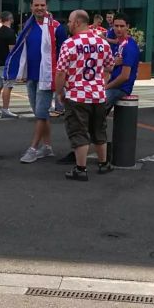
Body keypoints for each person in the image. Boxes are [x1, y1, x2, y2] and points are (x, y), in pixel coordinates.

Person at [4, 0, 68, 163]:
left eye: (42, 5)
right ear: (31, 7)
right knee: (41, 114)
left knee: (40, 114)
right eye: (36, 5)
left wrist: (63, 78)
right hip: (31, 77)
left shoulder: (56, 27)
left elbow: (65, 52)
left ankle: (32, 149)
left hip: (47, 78)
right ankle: (47, 148)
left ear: (47, 7)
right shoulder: (28, 26)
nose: (39, 8)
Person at [55, 10, 115, 181]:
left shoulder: (70, 44)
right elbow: (110, 67)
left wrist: (60, 92)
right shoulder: (102, 43)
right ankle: (104, 164)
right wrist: (101, 81)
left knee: (79, 131)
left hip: (77, 95)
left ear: (77, 22)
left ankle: (81, 169)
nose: (68, 24)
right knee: (99, 130)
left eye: (70, 21)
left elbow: (60, 72)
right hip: (98, 94)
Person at [105, 12, 139, 108]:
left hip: (121, 88)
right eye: (116, 26)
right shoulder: (119, 44)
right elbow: (111, 68)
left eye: (122, 26)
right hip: (114, 85)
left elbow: (124, 76)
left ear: (127, 26)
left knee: (97, 103)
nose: (119, 29)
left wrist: (105, 87)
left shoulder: (129, 47)